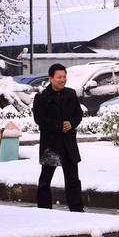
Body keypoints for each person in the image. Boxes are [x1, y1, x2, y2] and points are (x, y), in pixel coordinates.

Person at [32, 63, 85, 212]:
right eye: (59, 77)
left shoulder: (71, 94)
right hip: (51, 144)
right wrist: (58, 125)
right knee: (45, 180)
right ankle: (43, 209)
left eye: (64, 76)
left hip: (68, 143)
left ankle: (76, 209)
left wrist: (72, 123)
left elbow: (78, 115)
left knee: (73, 179)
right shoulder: (42, 97)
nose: (62, 80)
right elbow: (39, 119)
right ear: (51, 78)